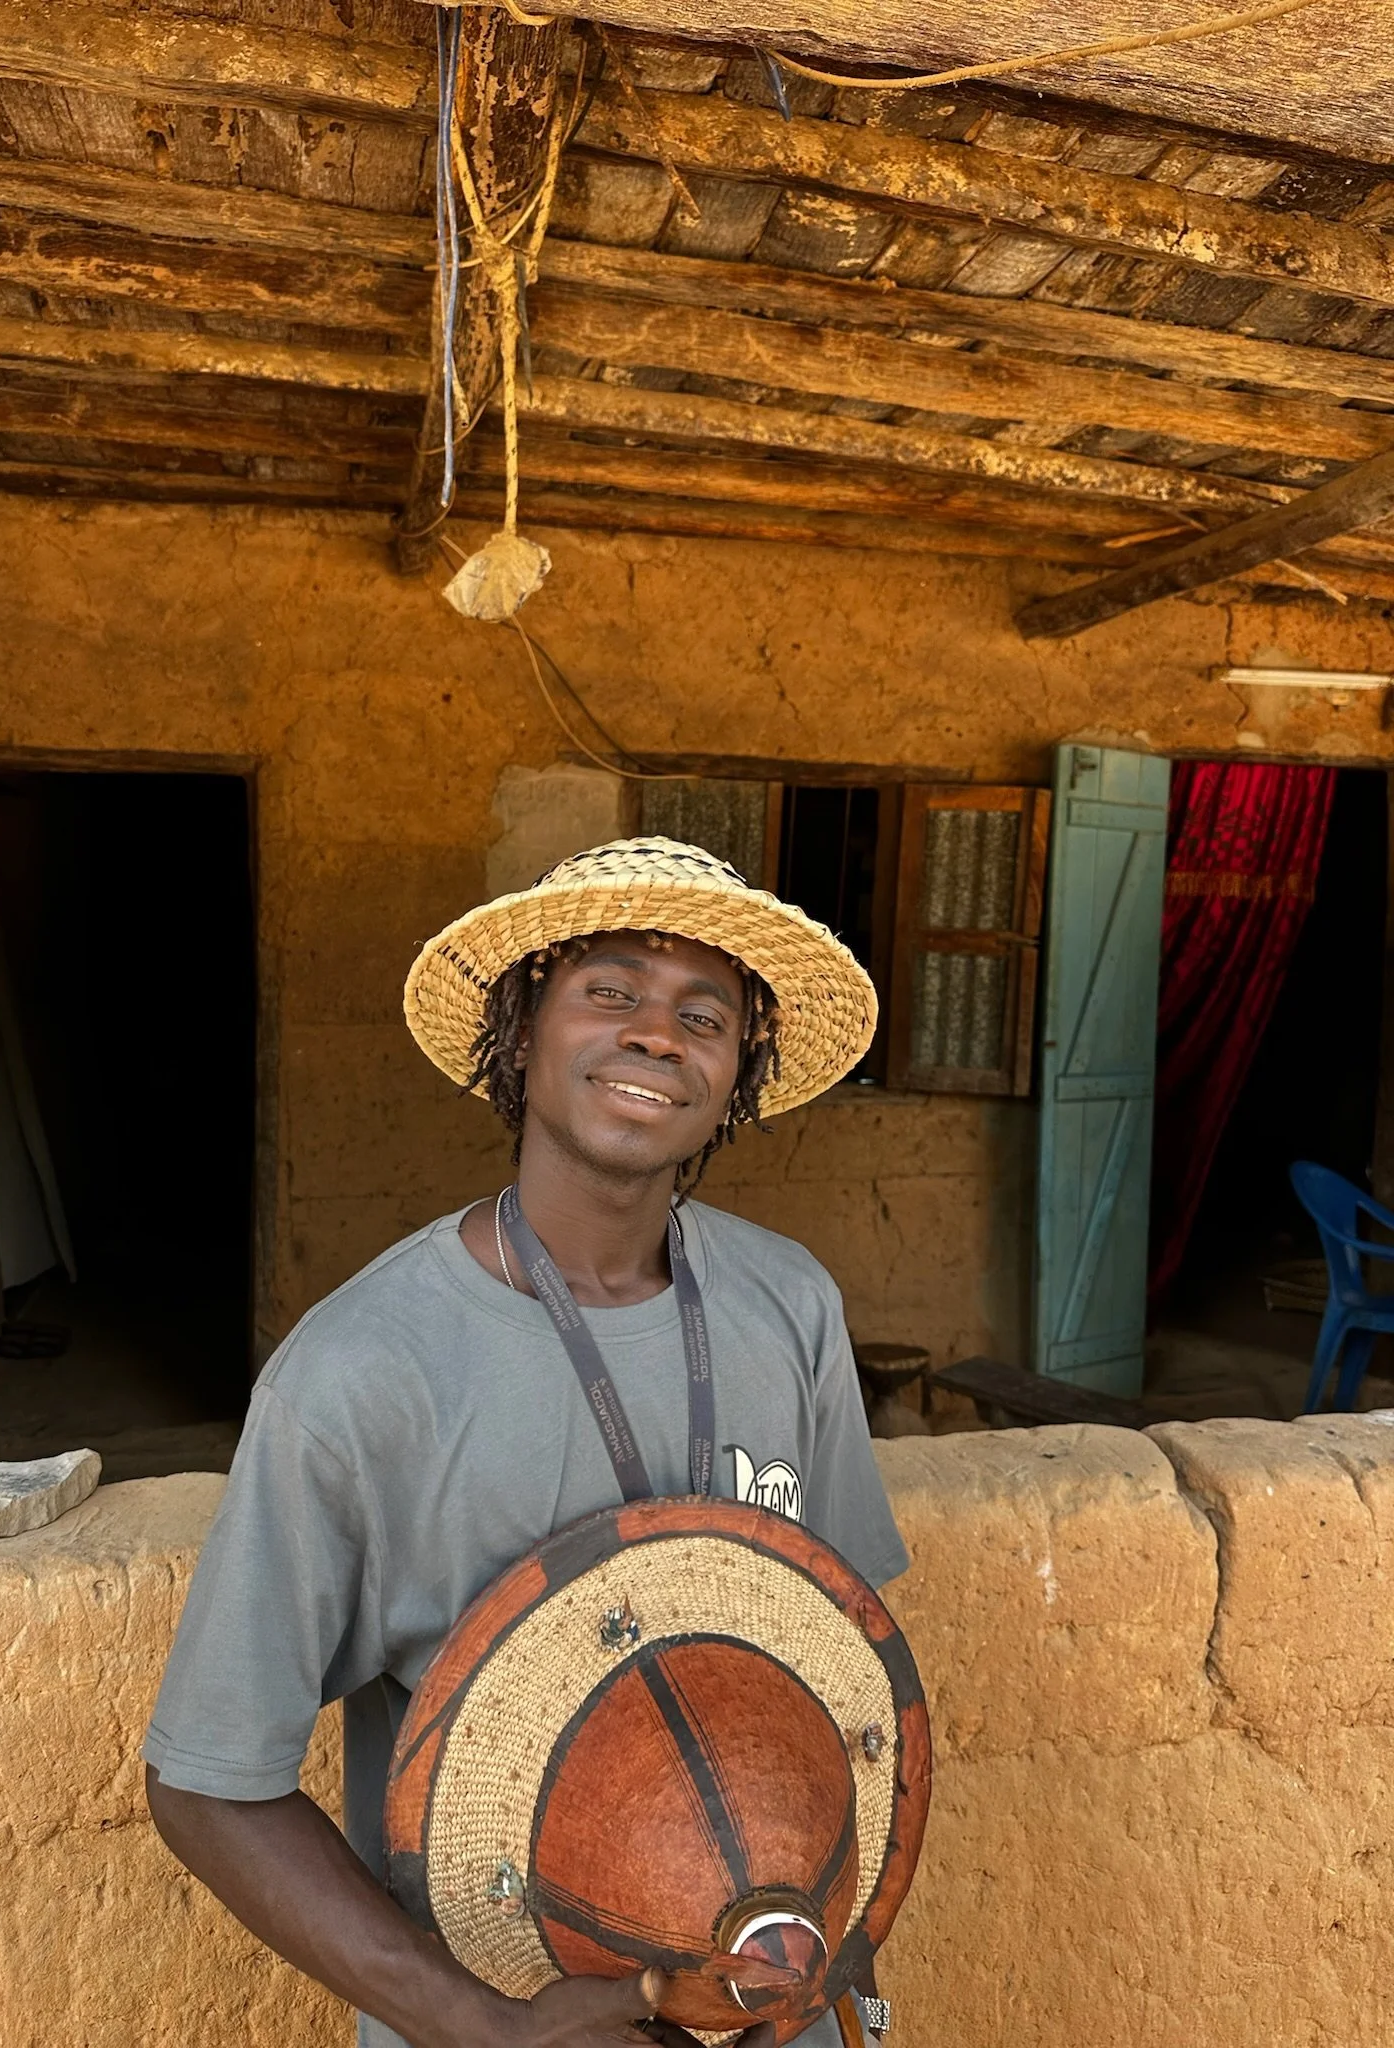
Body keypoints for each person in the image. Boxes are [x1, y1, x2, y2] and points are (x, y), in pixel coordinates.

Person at [144, 837, 910, 2048]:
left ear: (739, 1070)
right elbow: (204, 1782)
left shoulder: (791, 1306)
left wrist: (823, 1941)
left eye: (705, 1013)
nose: (659, 1033)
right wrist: (474, 2022)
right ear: (519, 1030)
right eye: (610, 990)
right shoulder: (360, 1374)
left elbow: (839, 1670)